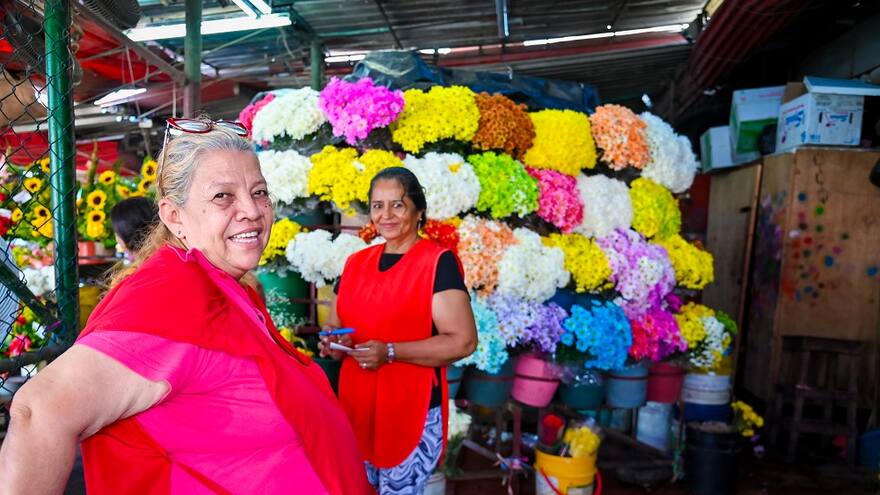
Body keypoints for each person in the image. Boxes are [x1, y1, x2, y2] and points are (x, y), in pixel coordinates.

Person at [0, 119, 372, 495]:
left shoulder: (224, 284)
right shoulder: (168, 292)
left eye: (259, 192)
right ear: (174, 216)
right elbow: (38, 411)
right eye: (222, 196)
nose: (252, 210)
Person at [320, 167, 477, 494]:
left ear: (419, 211)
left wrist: (390, 351)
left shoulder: (436, 262)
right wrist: (335, 342)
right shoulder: (355, 263)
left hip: (409, 407)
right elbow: (336, 325)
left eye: (398, 205)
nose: (386, 215)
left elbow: (462, 342)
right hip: (356, 407)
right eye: (378, 205)